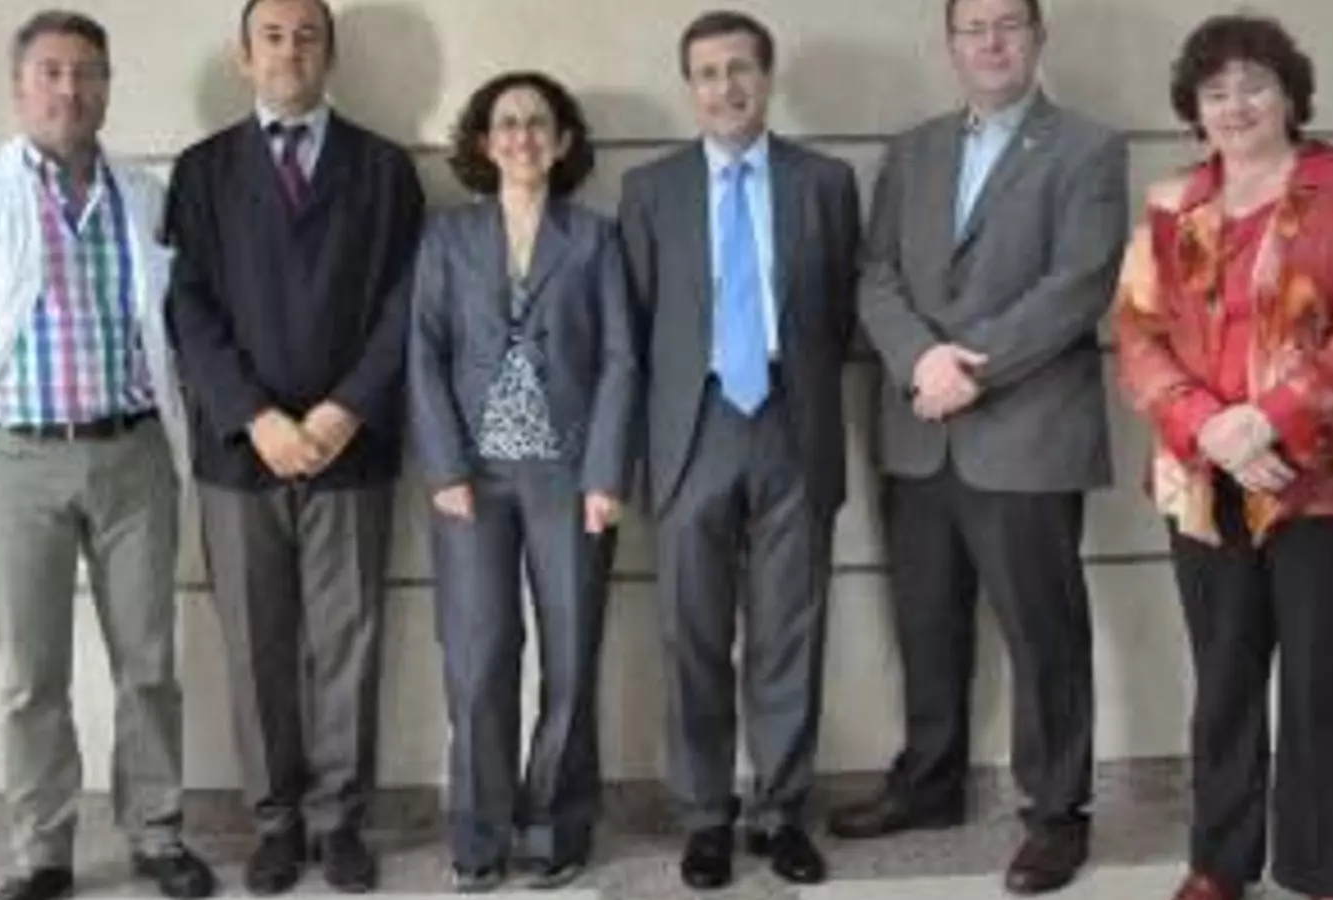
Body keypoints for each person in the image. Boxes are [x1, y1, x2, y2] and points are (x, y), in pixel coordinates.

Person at [0, 10, 216, 900]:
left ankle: (157, 834)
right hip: (17, 460)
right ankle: (43, 854)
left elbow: (173, 327)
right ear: (19, 86)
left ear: (108, 86)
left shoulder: (144, 196)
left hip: (133, 454)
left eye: (87, 72)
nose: (70, 89)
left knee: (148, 662)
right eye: (51, 72)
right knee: (31, 675)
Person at [1112, 14, 1333, 900]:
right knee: (1223, 680)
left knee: (1322, 685)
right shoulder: (1171, 201)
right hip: (1204, 477)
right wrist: (1209, 427)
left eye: (1254, 84)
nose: (1236, 104)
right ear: (1194, 109)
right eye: (1215, 92)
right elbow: (1136, 332)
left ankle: (1322, 875)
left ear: (1290, 94)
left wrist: (1268, 418)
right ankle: (1219, 864)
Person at [838, 0, 1129, 893]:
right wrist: (920, 360)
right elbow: (875, 274)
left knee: (1044, 634)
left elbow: (1078, 284)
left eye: (1009, 24)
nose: (991, 41)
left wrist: (973, 369)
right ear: (951, 44)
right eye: (974, 28)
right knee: (926, 622)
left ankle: (1056, 812)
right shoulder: (912, 150)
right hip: (919, 430)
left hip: (1027, 432)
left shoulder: (1087, 149)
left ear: (1039, 38)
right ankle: (930, 783)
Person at [162, 0, 424, 892]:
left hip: (351, 448)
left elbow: (407, 302)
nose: (289, 50)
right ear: (244, 58)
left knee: (349, 643)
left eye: (307, 35)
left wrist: (346, 408)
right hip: (242, 454)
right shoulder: (202, 173)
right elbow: (187, 306)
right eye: (271, 36)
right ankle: (275, 822)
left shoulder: (384, 170)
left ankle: (341, 822)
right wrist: (255, 415)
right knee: (257, 646)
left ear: (330, 55)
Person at [618, 9, 861, 891]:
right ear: (690, 88)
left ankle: (782, 811)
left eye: (740, 69)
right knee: (692, 632)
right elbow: (636, 324)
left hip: (794, 421)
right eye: (708, 73)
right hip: (694, 427)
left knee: (790, 630)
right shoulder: (649, 189)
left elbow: (840, 313)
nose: (726, 87)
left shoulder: (825, 182)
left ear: (767, 76)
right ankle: (706, 816)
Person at [407, 70, 637, 893]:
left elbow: (620, 360)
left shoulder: (596, 239)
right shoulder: (446, 238)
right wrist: (442, 467)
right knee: (478, 660)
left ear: (563, 141)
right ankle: (478, 833)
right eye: (506, 123)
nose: (522, 137)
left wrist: (606, 473)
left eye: (539, 123)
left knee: (570, 659)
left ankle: (555, 827)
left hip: (570, 479)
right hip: (472, 480)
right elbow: (423, 354)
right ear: (483, 141)